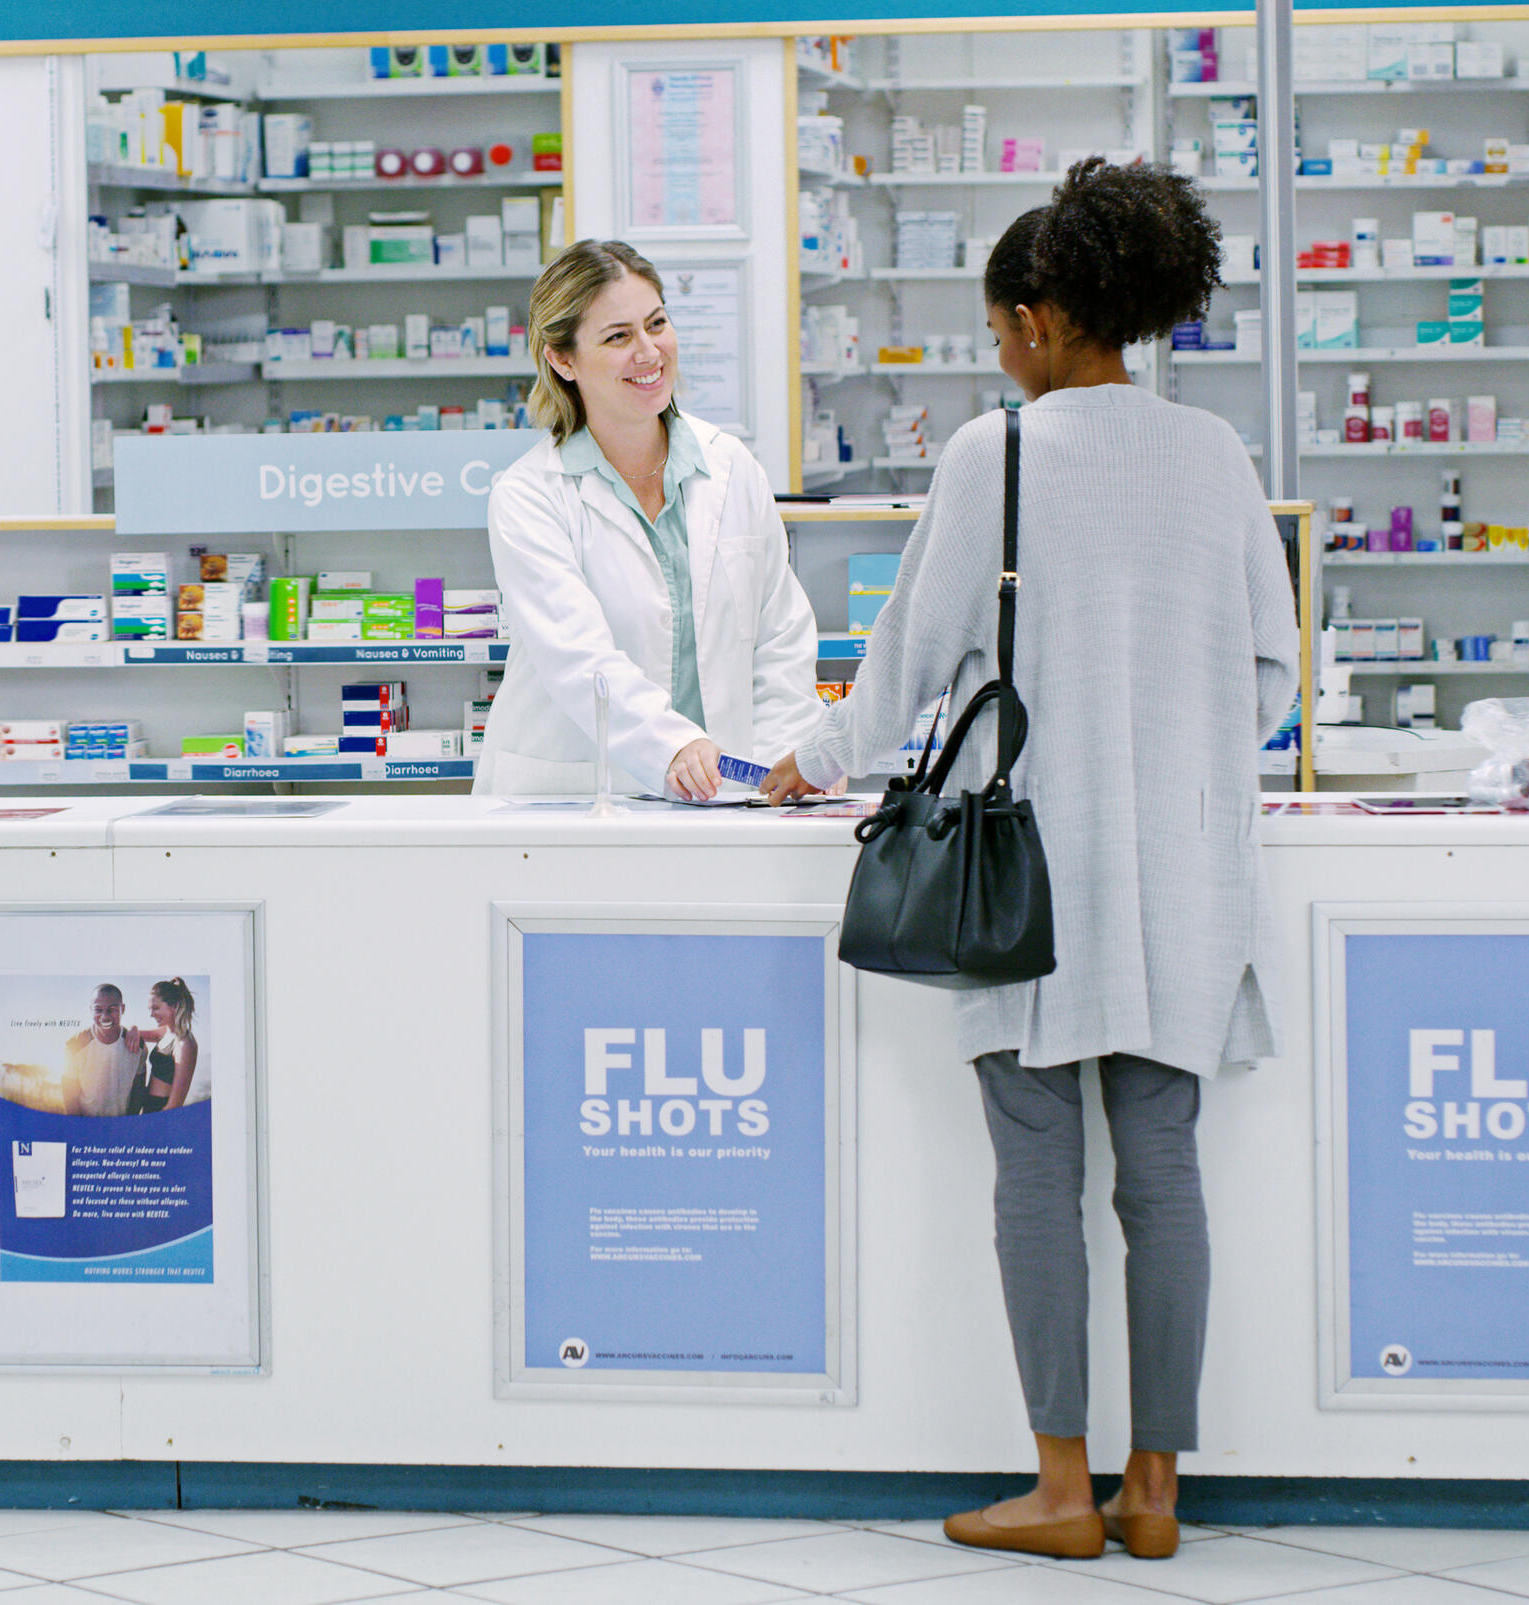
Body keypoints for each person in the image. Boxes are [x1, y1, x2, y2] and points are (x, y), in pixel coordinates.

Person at [761, 159, 1298, 1561]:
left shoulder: (993, 457)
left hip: (1027, 880)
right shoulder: (1217, 457)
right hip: (1183, 876)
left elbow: (896, 689)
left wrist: (802, 765)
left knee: (1034, 1181)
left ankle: (1060, 1491)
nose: (998, 349)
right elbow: (1272, 677)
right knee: (1163, 1178)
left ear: (1044, 317)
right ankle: (1157, 1496)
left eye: (1001, 324)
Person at [476, 240, 826, 799]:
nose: (649, 352)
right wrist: (671, 746)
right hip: (577, 795)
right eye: (618, 337)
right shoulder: (530, 495)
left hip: (728, 790)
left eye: (657, 323)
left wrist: (789, 758)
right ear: (562, 359)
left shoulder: (730, 465)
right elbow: (578, 657)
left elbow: (779, 633)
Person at [63, 985, 146, 1118]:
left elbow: (138, 1091)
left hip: (121, 1126)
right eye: (98, 1010)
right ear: (91, 1010)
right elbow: (69, 1096)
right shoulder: (75, 1045)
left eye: (112, 1009)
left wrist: (128, 1124)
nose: (105, 1016)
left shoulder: (138, 1045)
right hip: (87, 1125)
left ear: (122, 1009)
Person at [126, 978, 199, 1113]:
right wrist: (133, 1027)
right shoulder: (166, 1032)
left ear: (175, 1006)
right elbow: (134, 1034)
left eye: (156, 1008)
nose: (151, 1014)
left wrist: (157, 1122)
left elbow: (176, 1103)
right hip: (148, 1105)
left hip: (162, 1111)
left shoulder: (184, 1044)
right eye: (150, 1009)